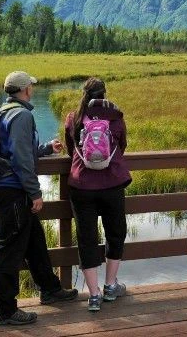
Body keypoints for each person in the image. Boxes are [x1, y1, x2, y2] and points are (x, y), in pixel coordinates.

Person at [0, 70, 78, 326]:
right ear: (25, 89)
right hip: (14, 190)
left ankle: (50, 288)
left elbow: (17, 151)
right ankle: (4, 310)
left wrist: (46, 149)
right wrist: (34, 192)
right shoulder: (22, 115)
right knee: (9, 250)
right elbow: (20, 158)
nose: (33, 89)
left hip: (6, 187)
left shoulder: (4, 111)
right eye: (31, 86)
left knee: (34, 241)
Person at [63, 77, 132, 312]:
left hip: (81, 186)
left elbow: (72, 149)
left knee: (86, 238)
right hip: (112, 184)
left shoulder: (74, 118)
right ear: (105, 94)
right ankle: (110, 286)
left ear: (84, 94)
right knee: (116, 232)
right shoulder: (115, 117)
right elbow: (122, 147)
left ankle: (94, 296)